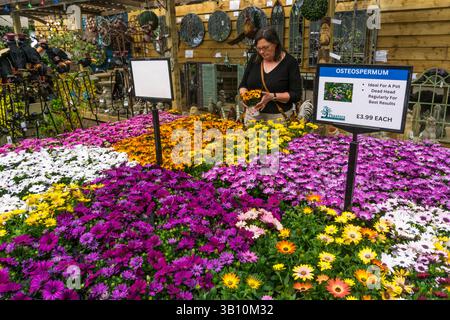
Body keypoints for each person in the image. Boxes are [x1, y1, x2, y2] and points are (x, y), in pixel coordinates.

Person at [238, 27, 302, 125]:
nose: (262, 52)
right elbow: (243, 85)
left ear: (275, 44)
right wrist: (245, 97)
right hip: (252, 117)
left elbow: (296, 95)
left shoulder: (290, 63)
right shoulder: (254, 59)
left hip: (277, 119)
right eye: (259, 48)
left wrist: (272, 96)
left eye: (266, 47)